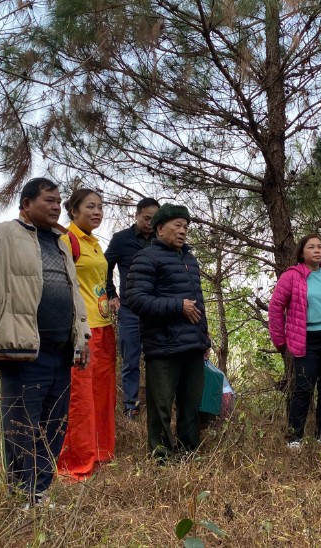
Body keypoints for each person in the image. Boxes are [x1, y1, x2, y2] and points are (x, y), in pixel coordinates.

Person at [0, 177, 90, 507]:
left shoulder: (61, 242)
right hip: (23, 349)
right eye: (48, 201)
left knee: (55, 424)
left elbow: (74, 294)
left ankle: (40, 490)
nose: (56, 207)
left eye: (58, 201)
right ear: (26, 204)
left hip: (61, 350)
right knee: (21, 424)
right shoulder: (3, 234)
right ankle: (22, 493)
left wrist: (82, 339)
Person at [124, 203, 211, 461]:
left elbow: (199, 302)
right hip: (163, 346)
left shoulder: (189, 259)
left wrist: (204, 338)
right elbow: (136, 299)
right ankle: (161, 457)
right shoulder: (146, 257)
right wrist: (177, 306)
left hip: (192, 345)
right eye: (177, 225)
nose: (183, 231)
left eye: (185, 226)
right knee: (161, 406)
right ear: (160, 228)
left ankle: (189, 451)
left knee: (191, 404)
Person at [57, 189, 117, 480]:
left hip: (104, 326)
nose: (97, 212)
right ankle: (75, 462)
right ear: (73, 211)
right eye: (90, 207)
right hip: (83, 329)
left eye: (101, 207)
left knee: (102, 393)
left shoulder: (94, 242)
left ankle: (101, 450)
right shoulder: (66, 241)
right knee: (80, 396)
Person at [268, 234, 321, 448]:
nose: (317, 250)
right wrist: (280, 340)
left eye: (320, 246)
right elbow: (275, 307)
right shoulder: (292, 276)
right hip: (306, 339)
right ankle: (295, 437)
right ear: (302, 252)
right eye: (311, 247)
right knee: (303, 388)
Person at [104, 197, 159, 417]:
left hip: (157, 310)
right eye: (146, 218)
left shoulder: (160, 239)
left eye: (154, 220)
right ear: (136, 215)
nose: (149, 223)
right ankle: (130, 405)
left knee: (158, 357)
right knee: (130, 358)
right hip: (129, 309)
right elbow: (103, 267)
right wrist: (111, 294)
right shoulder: (121, 239)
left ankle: (158, 404)